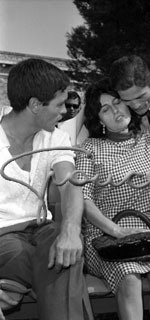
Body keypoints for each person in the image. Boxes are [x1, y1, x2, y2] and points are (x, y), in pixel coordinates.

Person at [75, 75, 150, 320]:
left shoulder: (147, 140)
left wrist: (148, 79)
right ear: (98, 120)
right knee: (128, 275)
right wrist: (115, 231)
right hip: (104, 237)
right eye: (105, 109)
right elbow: (83, 201)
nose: (115, 110)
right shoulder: (89, 148)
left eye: (118, 101)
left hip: (148, 233)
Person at [0, 59, 93, 320]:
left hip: (41, 231)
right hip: (4, 238)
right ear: (34, 105)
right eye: (60, 104)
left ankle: (11, 285)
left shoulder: (56, 136)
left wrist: (72, 232)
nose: (65, 112)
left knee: (64, 246)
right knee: (33, 258)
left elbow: (70, 183)